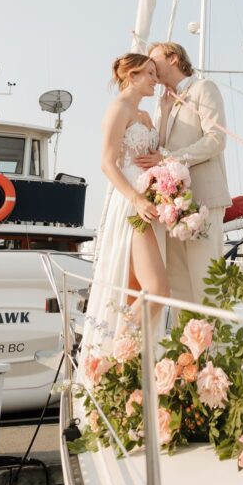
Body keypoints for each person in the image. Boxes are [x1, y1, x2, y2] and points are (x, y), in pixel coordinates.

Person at [79, 53, 169, 368]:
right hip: (132, 205)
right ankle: (111, 359)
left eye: (156, 74)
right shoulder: (118, 110)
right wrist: (136, 198)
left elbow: (152, 154)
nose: (155, 80)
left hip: (151, 203)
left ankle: (127, 371)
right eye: (149, 74)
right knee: (157, 290)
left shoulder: (146, 116)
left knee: (135, 293)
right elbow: (107, 162)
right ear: (131, 76)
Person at [143, 42, 231, 306]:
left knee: (207, 283)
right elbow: (160, 150)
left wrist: (172, 158)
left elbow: (216, 139)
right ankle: (188, 346)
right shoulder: (163, 103)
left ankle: (217, 347)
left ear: (172, 58)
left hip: (203, 199)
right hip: (171, 206)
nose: (149, 66)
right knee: (179, 288)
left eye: (153, 59)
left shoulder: (204, 89)